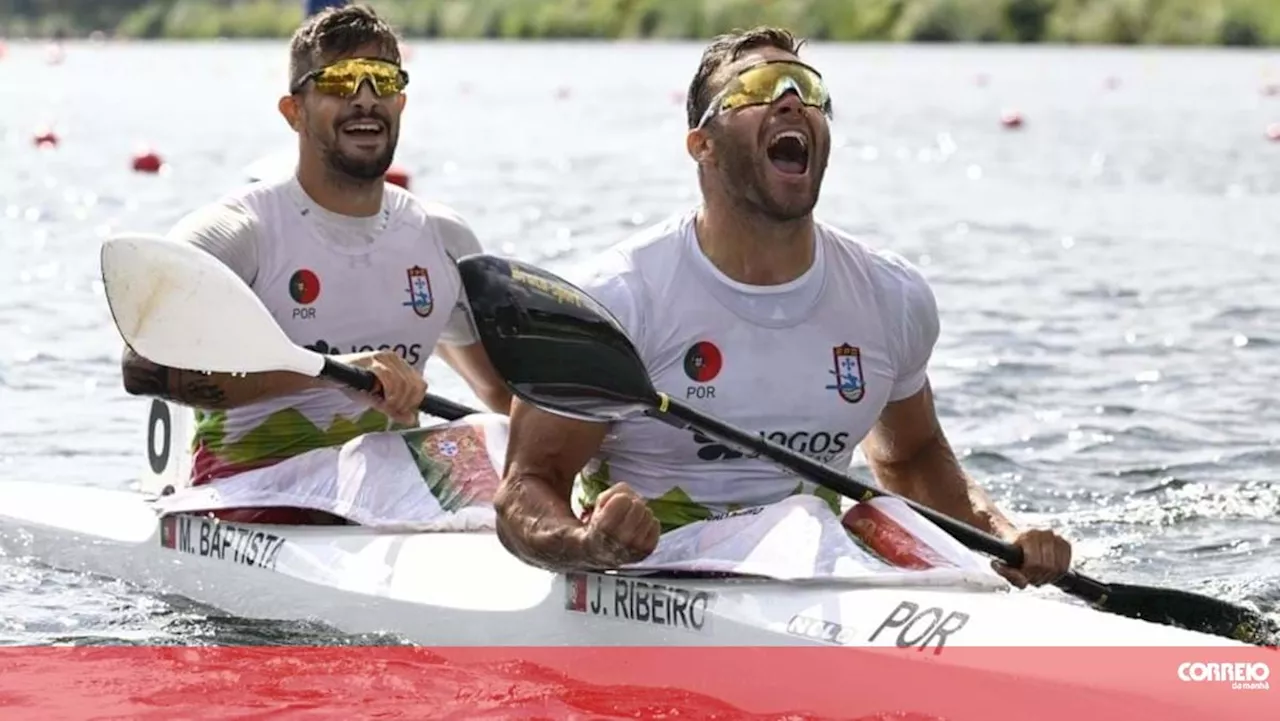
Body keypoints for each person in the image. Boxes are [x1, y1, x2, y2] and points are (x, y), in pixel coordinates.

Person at [493, 26, 1073, 589]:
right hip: (655, 574)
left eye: (809, 89)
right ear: (703, 145)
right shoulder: (617, 298)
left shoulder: (890, 296)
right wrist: (587, 545)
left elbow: (912, 457)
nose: (793, 102)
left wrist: (1004, 534)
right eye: (759, 87)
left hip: (817, 568)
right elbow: (525, 489)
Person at [120, 4, 511, 523]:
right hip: (255, 484)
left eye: (382, 81)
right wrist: (332, 374)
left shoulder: (442, 239)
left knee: (509, 452)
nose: (365, 99)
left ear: (400, 101)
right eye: (340, 82)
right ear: (293, 111)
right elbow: (141, 368)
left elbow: (503, 396)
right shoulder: (239, 233)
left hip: (389, 482)